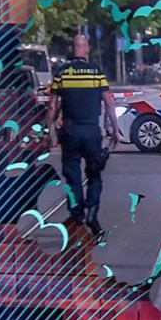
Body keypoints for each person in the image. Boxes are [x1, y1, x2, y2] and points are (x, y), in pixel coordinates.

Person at [45, 34, 121, 235]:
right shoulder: (97, 73)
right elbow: (109, 103)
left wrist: (48, 130)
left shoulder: (62, 73)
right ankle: (92, 213)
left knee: (73, 176)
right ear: (86, 49)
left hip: (70, 132)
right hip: (91, 132)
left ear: (73, 49)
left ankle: (77, 217)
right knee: (94, 175)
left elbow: (52, 106)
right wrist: (115, 129)